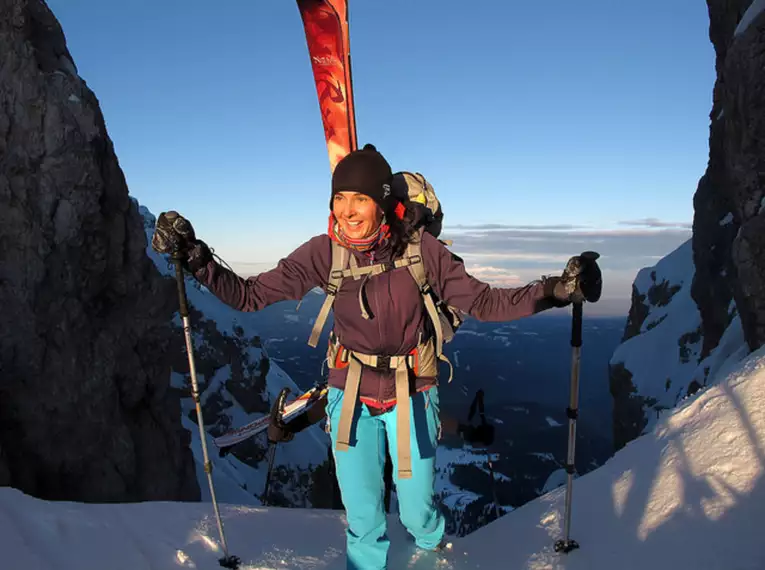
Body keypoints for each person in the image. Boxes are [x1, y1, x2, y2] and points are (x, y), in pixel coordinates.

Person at [151, 144, 602, 570]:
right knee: (364, 519)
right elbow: (249, 296)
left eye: (359, 199)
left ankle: (431, 556)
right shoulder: (323, 252)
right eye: (339, 198)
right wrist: (195, 258)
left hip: (411, 391)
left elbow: (485, 302)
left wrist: (558, 291)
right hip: (349, 393)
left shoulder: (423, 252)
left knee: (418, 512)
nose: (346, 210)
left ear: (382, 204)